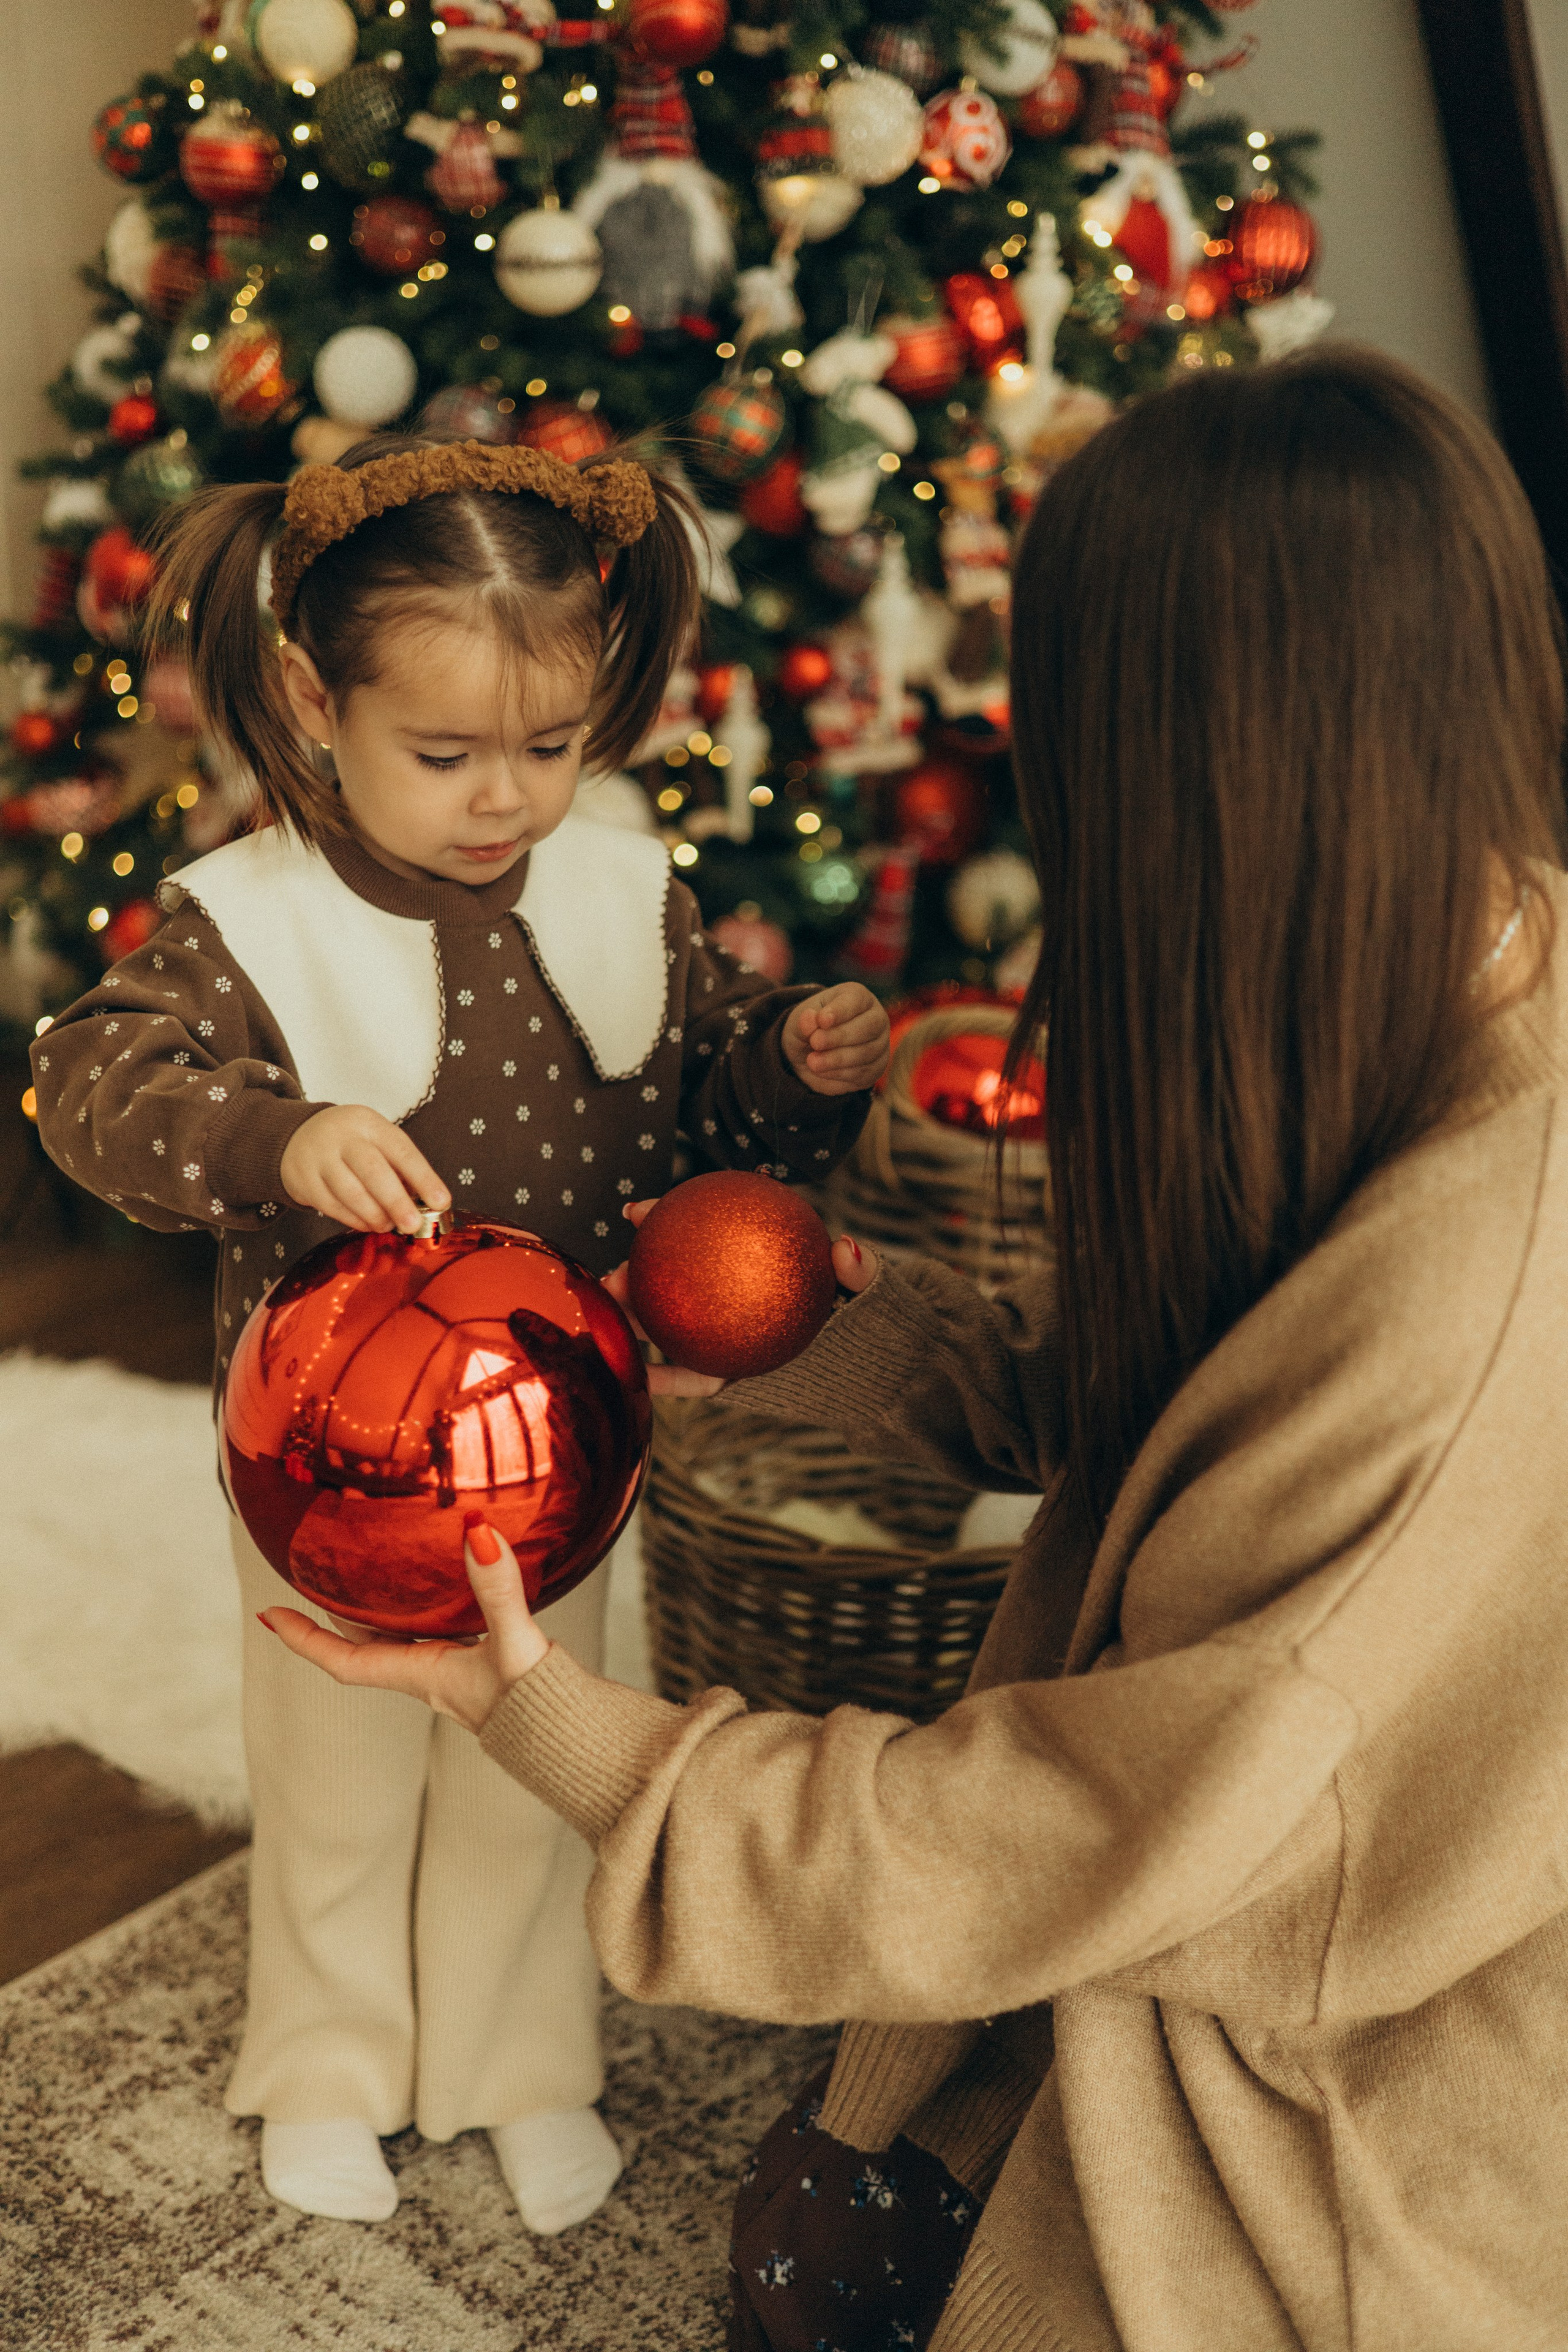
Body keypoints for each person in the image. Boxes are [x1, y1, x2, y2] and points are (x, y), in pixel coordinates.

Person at [268, 344, 1566, 2352]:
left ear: (1192, 781)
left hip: (1379, 2082)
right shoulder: (1471, 959)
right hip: (1305, 1845)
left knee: (818, 2266)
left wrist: (568, 1731)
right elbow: (1219, 1423)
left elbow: (1073, 1819)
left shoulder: (1472, 1305)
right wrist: (866, 1351)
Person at [29, 433, 890, 2233]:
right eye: (444, 755)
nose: (505, 798)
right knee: (337, 1779)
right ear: (307, 701)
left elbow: (695, 1098)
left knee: (527, 1767)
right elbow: (88, 1085)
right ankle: (333, 2063)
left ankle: (517, 2063)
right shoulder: (245, 921)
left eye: (551, 748)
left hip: (557, 1452)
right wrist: (278, 1136)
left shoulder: (619, 890)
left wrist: (779, 1067)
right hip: (334, 1467)